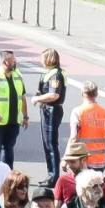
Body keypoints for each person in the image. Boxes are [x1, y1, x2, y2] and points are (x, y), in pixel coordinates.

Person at [68, 81, 105, 173]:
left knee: (82, 182)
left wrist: (67, 158)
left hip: (82, 161)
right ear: (96, 94)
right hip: (100, 162)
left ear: (82, 94)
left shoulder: (78, 112)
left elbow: (74, 137)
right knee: (97, 182)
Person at [33, 49, 66, 180]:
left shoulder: (55, 75)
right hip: (49, 110)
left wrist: (38, 99)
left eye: (43, 58)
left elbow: (54, 95)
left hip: (51, 110)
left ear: (49, 59)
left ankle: (53, 176)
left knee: (50, 143)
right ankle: (51, 174)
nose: (41, 61)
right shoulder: (52, 73)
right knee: (47, 143)